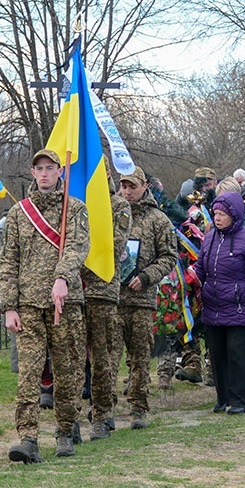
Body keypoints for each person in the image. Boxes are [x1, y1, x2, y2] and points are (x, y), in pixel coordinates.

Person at [0, 149, 89, 463]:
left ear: (60, 171)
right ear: (33, 172)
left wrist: (63, 277)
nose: (45, 174)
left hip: (64, 304)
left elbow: (78, 247)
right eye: (40, 169)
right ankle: (28, 438)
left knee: (67, 371)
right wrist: (9, 306)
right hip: (28, 306)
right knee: (28, 375)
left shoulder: (75, 209)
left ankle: (65, 431)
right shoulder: (19, 213)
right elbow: (8, 262)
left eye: (50, 168)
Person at [116, 166, 178, 429]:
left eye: (133, 186)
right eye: (124, 187)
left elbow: (169, 256)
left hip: (141, 300)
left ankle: (139, 406)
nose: (127, 192)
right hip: (113, 298)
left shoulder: (157, 220)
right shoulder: (111, 215)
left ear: (144, 187)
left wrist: (147, 276)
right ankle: (103, 407)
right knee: (107, 355)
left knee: (140, 356)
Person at [196, 192, 245, 414]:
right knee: (217, 355)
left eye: (222, 214)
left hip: (239, 308)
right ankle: (222, 397)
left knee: (237, 355)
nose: (217, 218)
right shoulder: (209, 238)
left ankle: (239, 400)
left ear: (234, 215)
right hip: (213, 308)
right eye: (215, 214)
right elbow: (200, 269)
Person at [82, 172, 132, 440]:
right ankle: (68, 418)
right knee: (71, 359)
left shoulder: (118, 206)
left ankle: (102, 413)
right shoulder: (73, 202)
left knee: (102, 357)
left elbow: (115, 244)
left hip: (102, 288)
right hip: (73, 290)